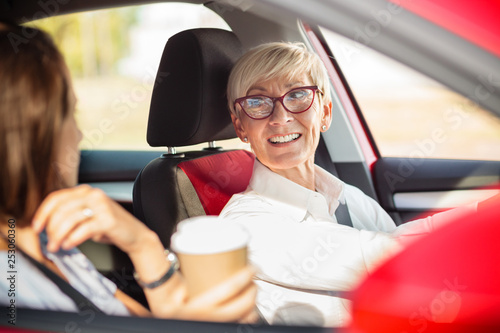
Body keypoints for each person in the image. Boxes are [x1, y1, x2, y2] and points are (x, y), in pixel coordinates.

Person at [219, 41, 498, 327]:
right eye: (257, 103)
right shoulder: (243, 225)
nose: (281, 117)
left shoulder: (350, 198)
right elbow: (387, 260)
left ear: (325, 113)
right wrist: (486, 218)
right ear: (240, 126)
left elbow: (403, 271)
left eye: (298, 95)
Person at [0, 21, 256, 323]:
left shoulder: (51, 246)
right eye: (70, 113)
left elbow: (141, 321)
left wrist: (143, 245)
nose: (79, 134)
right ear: (30, 136)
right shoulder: (12, 292)